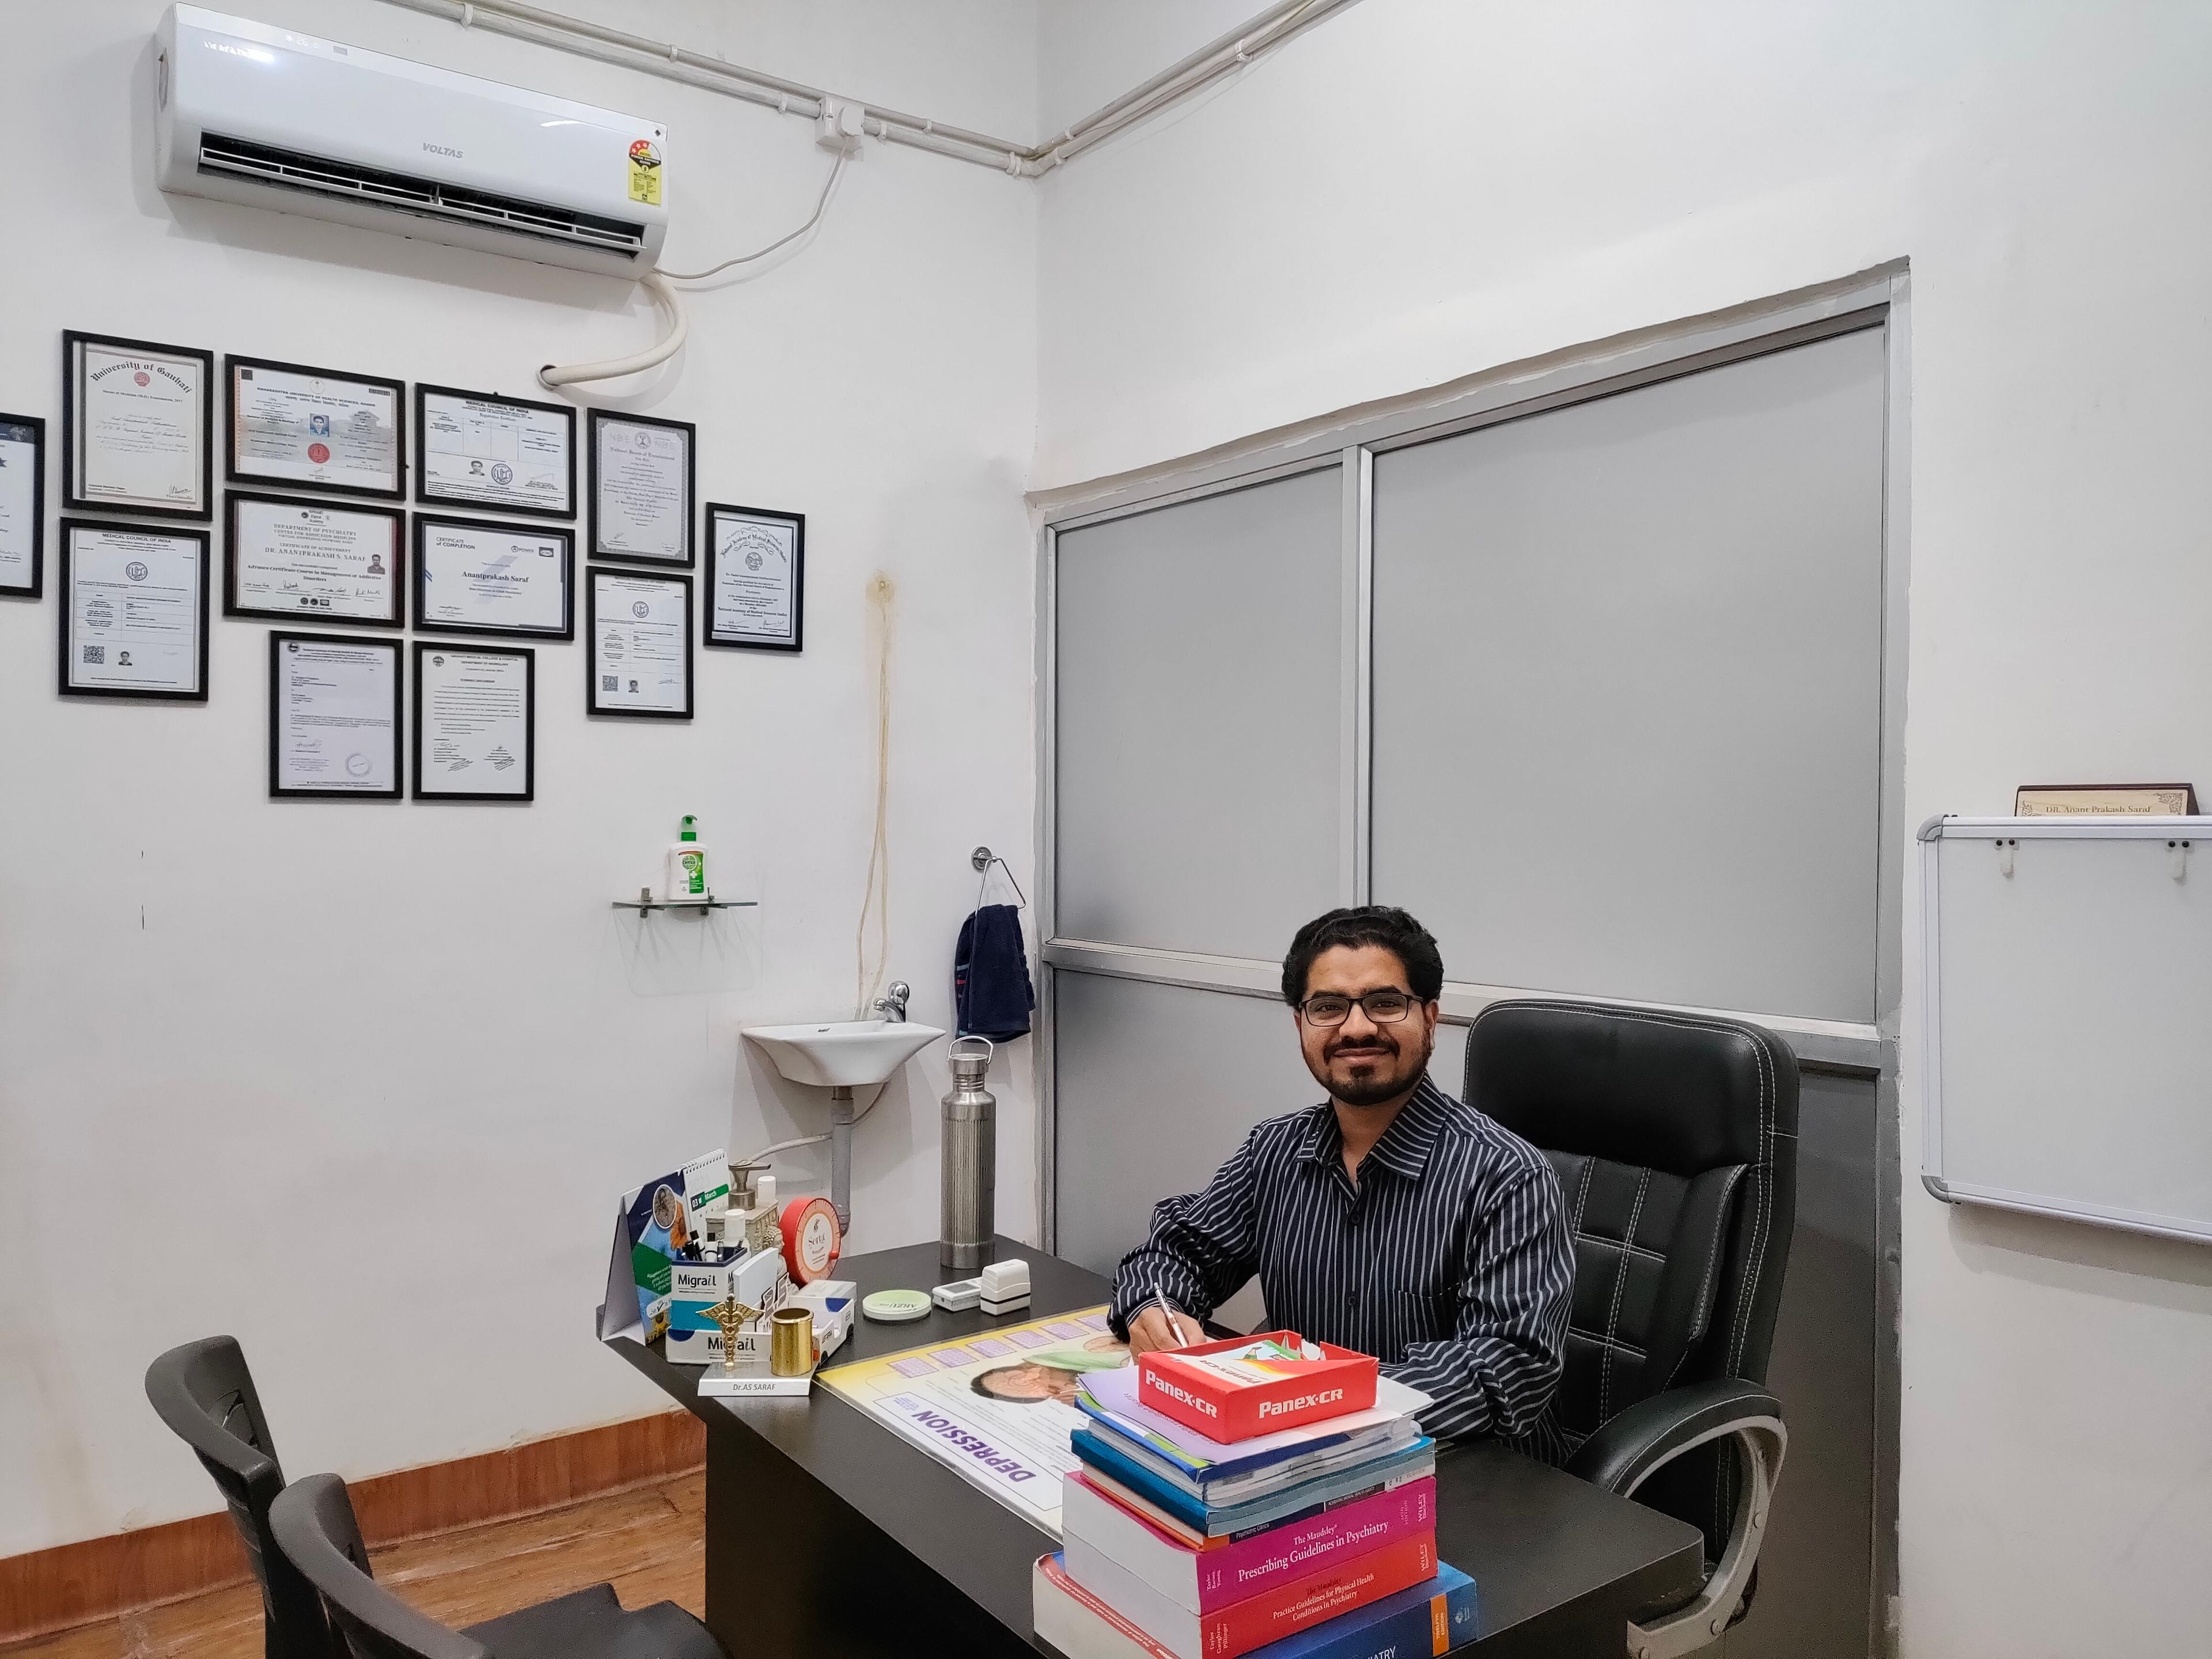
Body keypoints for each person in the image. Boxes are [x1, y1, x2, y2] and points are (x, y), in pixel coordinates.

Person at [1111, 906, 1574, 1456]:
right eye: (1328, 1007)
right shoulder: (1275, 1152)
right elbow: (1176, 1251)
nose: (1356, 1028)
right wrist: (1152, 1313)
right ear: (1301, 1025)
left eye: (1385, 1003)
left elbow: (1506, 1368)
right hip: (1292, 1464)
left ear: (1430, 1018)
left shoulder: (1507, 1177)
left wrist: (1316, 1403)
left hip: (1462, 1476)